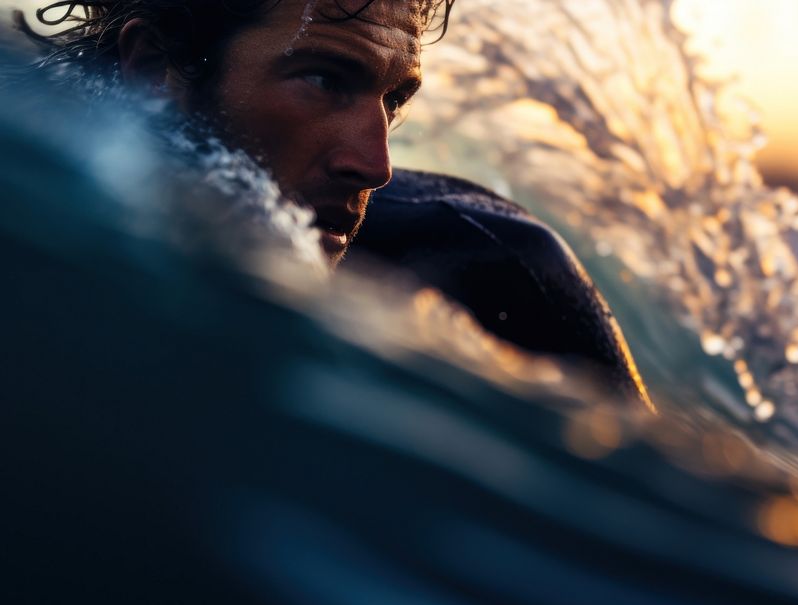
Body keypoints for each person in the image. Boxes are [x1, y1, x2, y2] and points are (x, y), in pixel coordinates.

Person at [16, 0, 650, 404]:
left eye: (392, 101)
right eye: (324, 79)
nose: (374, 166)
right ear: (154, 68)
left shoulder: (491, 265)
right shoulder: (30, 220)